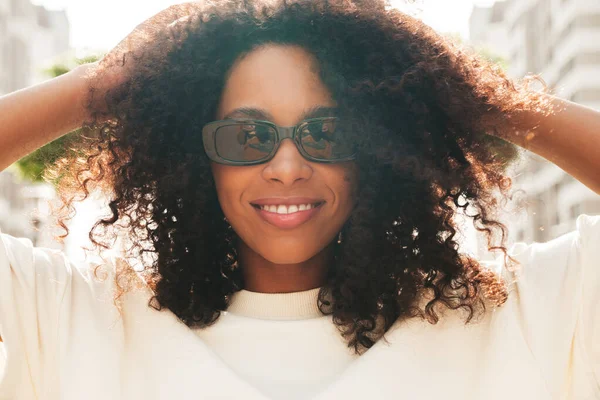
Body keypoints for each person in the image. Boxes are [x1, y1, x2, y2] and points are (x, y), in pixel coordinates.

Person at [0, 1, 598, 399]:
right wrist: (108, 84)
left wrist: (465, 92)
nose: (286, 167)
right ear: (195, 157)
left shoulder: (515, 315)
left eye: (328, 133)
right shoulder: (75, 317)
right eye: (246, 136)